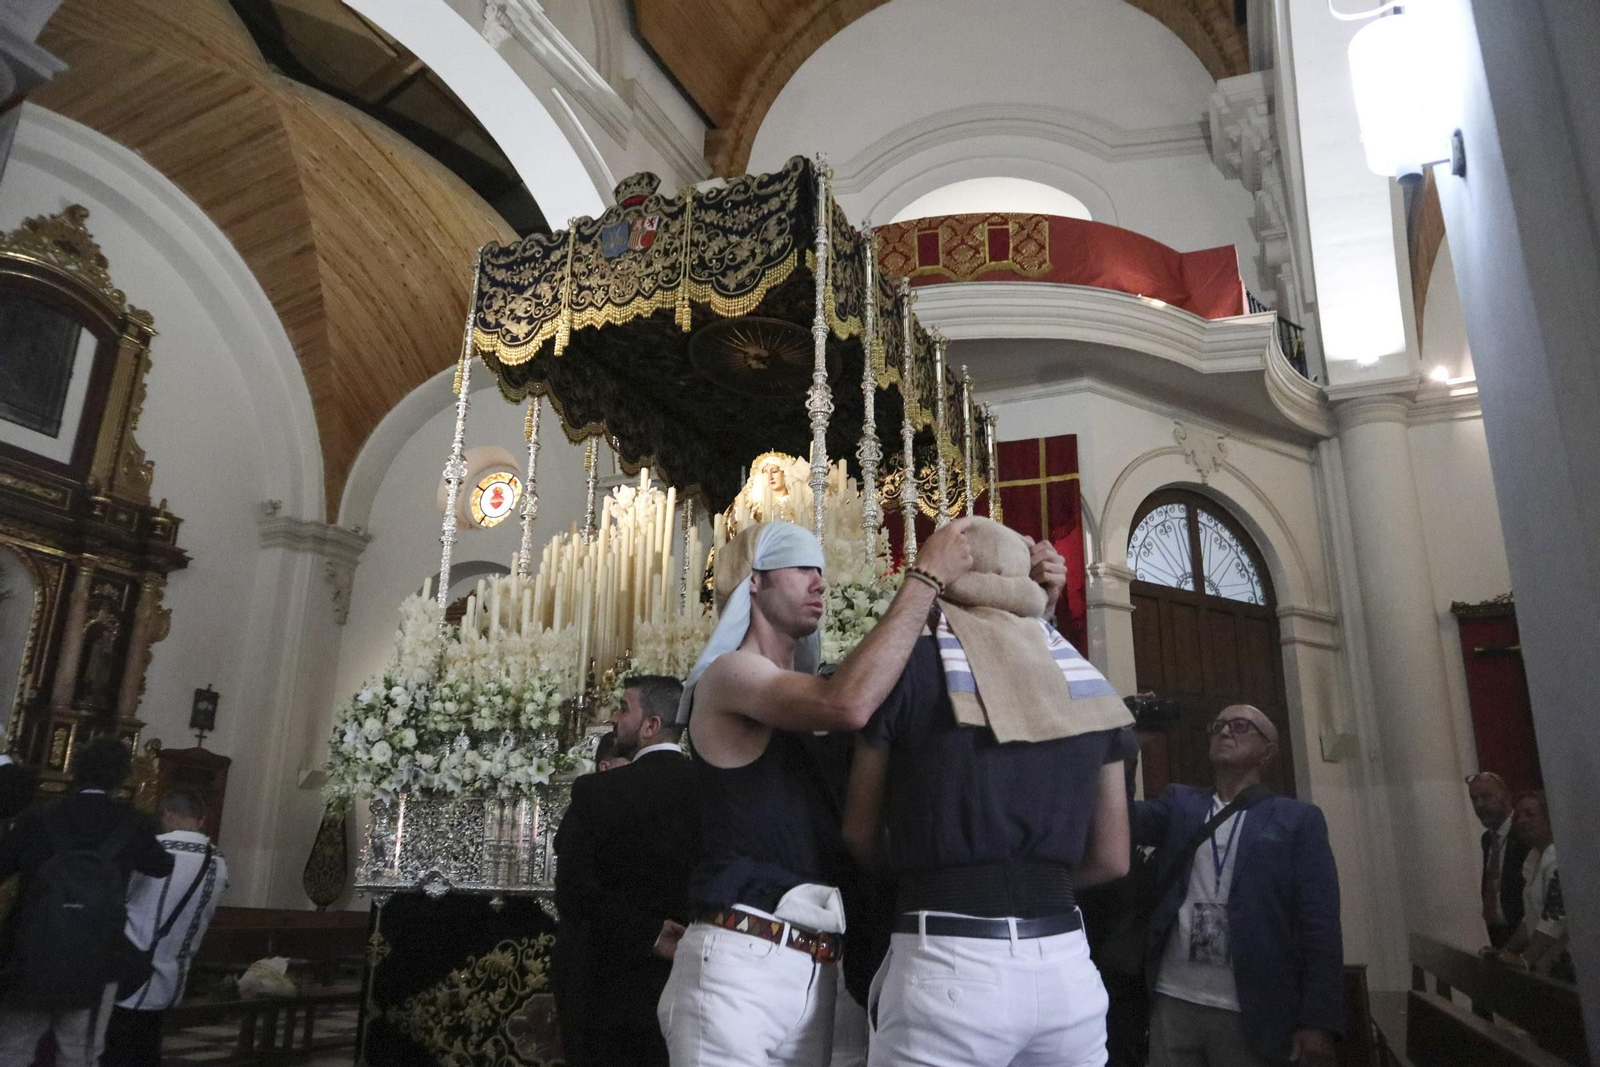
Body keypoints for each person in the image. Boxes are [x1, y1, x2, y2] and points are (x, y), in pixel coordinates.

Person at [656, 517, 973, 1067]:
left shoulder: (803, 695)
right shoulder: (730, 676)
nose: (820, 583)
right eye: (803, 568)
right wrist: (922, 580)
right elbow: (847, 704)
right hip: (742, 965)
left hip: (819, 967)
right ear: (755, 583)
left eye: (822, 571)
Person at [842, 519, 1136, 1067]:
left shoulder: (910, 671)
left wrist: (927, 874)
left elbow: (859, 830)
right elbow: (1114, 859)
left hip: (949, 957)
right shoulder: (1092, 688)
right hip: (1067, 967)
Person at [1136, 706, 1343, 1067]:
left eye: (1240, 726)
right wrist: (1126, 745)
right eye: (1217, 725)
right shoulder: (1181, 804)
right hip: (1173, 998)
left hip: (1253, 1008)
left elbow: (1320, 924)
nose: (1225, 731)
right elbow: (1123, 820)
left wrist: (1318, 1020)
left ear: (1268, 751)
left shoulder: (1297, 819)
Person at [0, 737, 172, 1067]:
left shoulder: (39, 817)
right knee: (79, 1052)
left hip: (32, 952)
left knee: (12, 1049)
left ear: (76, 770)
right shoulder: (132, 822)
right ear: (122, 776)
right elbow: (162, 866)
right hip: (96, 956)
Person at [553, 676, 698, 1067]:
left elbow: (571, 890)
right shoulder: (711, 789)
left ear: (650, 726)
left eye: (623, 708)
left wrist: (647, 931)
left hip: (606, 978)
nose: (614, 718)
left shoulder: (597, 791)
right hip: (690, 973)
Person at [100, 788, 229, 1067]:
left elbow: (118, 898)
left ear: (168, 813)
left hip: (133, 969)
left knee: (116, 1051)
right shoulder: (218, 862)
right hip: (174, 972)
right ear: (201, 819)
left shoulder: (154, 850)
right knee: (148, 1048)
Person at [1495, 790, 1570, 979]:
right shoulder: (1534, 857)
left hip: (1570, 965)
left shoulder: (1559, 855)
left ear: (1550, 817)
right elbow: (1531, 918)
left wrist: (1526, 959)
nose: (1521, 820)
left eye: (1530, 814)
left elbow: (1556, 914)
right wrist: (1505, 952)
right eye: (1518, 815)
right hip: (1549, 965)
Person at [1467, 771, 1529, 950]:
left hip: (1529, 937)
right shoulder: (1488, 839)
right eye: (1474, 798)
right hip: (1499, 935)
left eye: (1486, 796)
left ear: (1507, 797)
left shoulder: (1523, 832)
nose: (1479, 804)